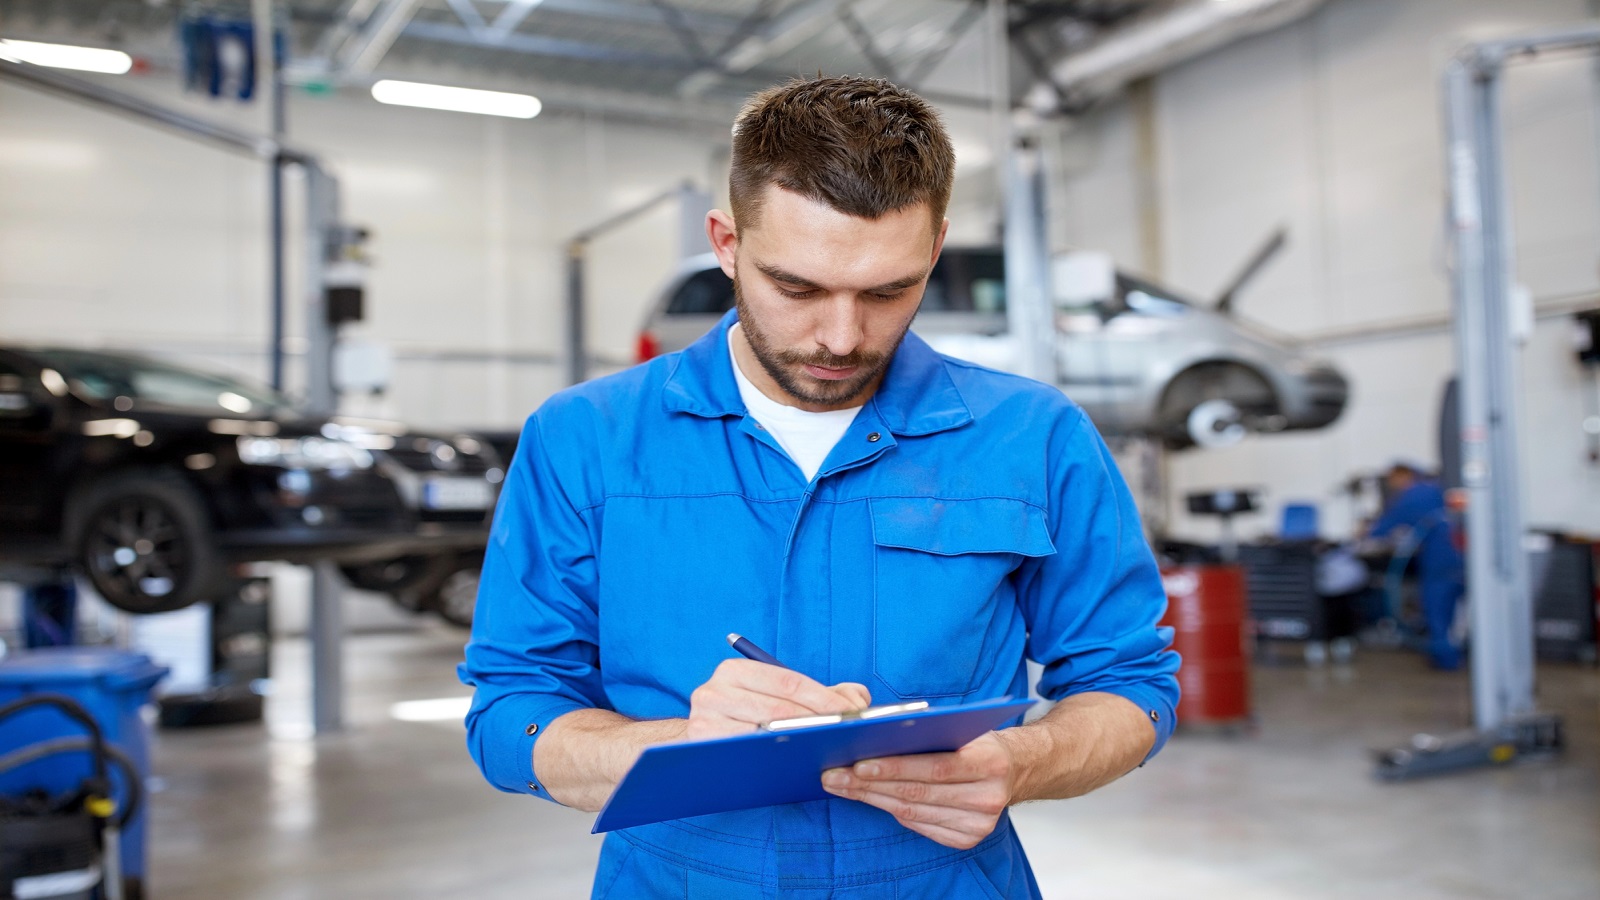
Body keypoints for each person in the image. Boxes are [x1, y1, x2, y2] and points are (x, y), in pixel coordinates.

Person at [460, 75, 1180, 898]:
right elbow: (511, 714)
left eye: (887, 291)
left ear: (934, 248)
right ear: (727, 242)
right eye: (797, 288)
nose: (841, 337)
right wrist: (678, 746)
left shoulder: (1032, 436)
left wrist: (1022, 759)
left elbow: (1130, 685)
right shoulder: (585, 439)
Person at [1368, 461, 1464, 670]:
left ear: (1403, 476)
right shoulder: (1439, 488)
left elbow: (1383, 528)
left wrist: (1364, 533)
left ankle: (1446, 660)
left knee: (1437, 611)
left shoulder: (1413, 495)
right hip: (1464, 557)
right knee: (1461, 611)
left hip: (1440, 560)